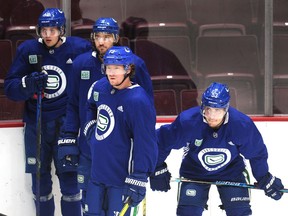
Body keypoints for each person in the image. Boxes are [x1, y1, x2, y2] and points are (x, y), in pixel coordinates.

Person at [58, 17, 154, 214]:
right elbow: (76, 103)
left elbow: (144, 119)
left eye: (107, 36)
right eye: (98, 36)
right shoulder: (81, 65)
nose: (102, 41)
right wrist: (74, 134)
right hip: (89, 150)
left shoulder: (136, 67)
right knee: (89, 207)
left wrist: (146, 168)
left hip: (120, 155)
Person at [4, 8, 91, 216]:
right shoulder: (28, 50)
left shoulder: (79, 48)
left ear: (61, 30)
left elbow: (94, 78)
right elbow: (10, 88)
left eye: (53, 30)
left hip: (67, 126)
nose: (48, 34)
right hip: (37, 124)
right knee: (40, 186)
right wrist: (28, 83)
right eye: (44, 30)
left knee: (71, 184)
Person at [149, 82, 284, 216]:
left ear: (226, 108)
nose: (212, 116)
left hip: (231, 173)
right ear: (202, 106)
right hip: (194, 172)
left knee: (239, 212)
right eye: (209, 109)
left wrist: (263, 177)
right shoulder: (188, 121)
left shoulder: (241, 125)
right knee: (188, 213)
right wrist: (157, 167)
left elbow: (256, 154)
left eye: (217, 110)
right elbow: (162, 140)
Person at [82, 46, 157, 215]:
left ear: (128, 69)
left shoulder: (138, 100)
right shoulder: (100, 87)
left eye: (116, 67)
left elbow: (145, 142)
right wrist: (90, 130)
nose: (111, 72)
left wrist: (139, 176)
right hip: (96, 176)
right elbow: (90, 106)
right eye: (108, 67)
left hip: (121, 180)